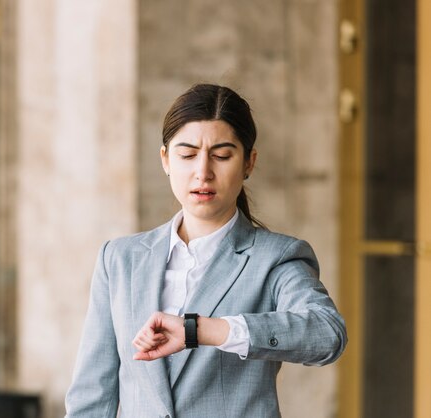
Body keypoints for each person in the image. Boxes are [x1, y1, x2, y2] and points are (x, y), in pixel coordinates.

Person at [64, 83, 347, 418]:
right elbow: (92, 397)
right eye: (187, 155)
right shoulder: (120, 259)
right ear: (166, 160)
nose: (203, 172)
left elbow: (326, 334)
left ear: (248, 163)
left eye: (222, 155)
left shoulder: (276, 258)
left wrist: (199, 330)